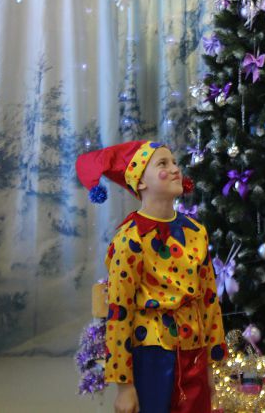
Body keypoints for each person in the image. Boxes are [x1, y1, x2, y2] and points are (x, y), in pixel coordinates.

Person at [75, 141, 227, 413]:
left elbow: (208, 299)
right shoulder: (130, 239)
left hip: (194, 352)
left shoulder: (195, 232)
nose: (175, 169)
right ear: (140, 181)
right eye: (163, 164)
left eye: (175, 162)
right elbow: (119, 312)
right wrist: (124, 386)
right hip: (152, 354)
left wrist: (212, 363)